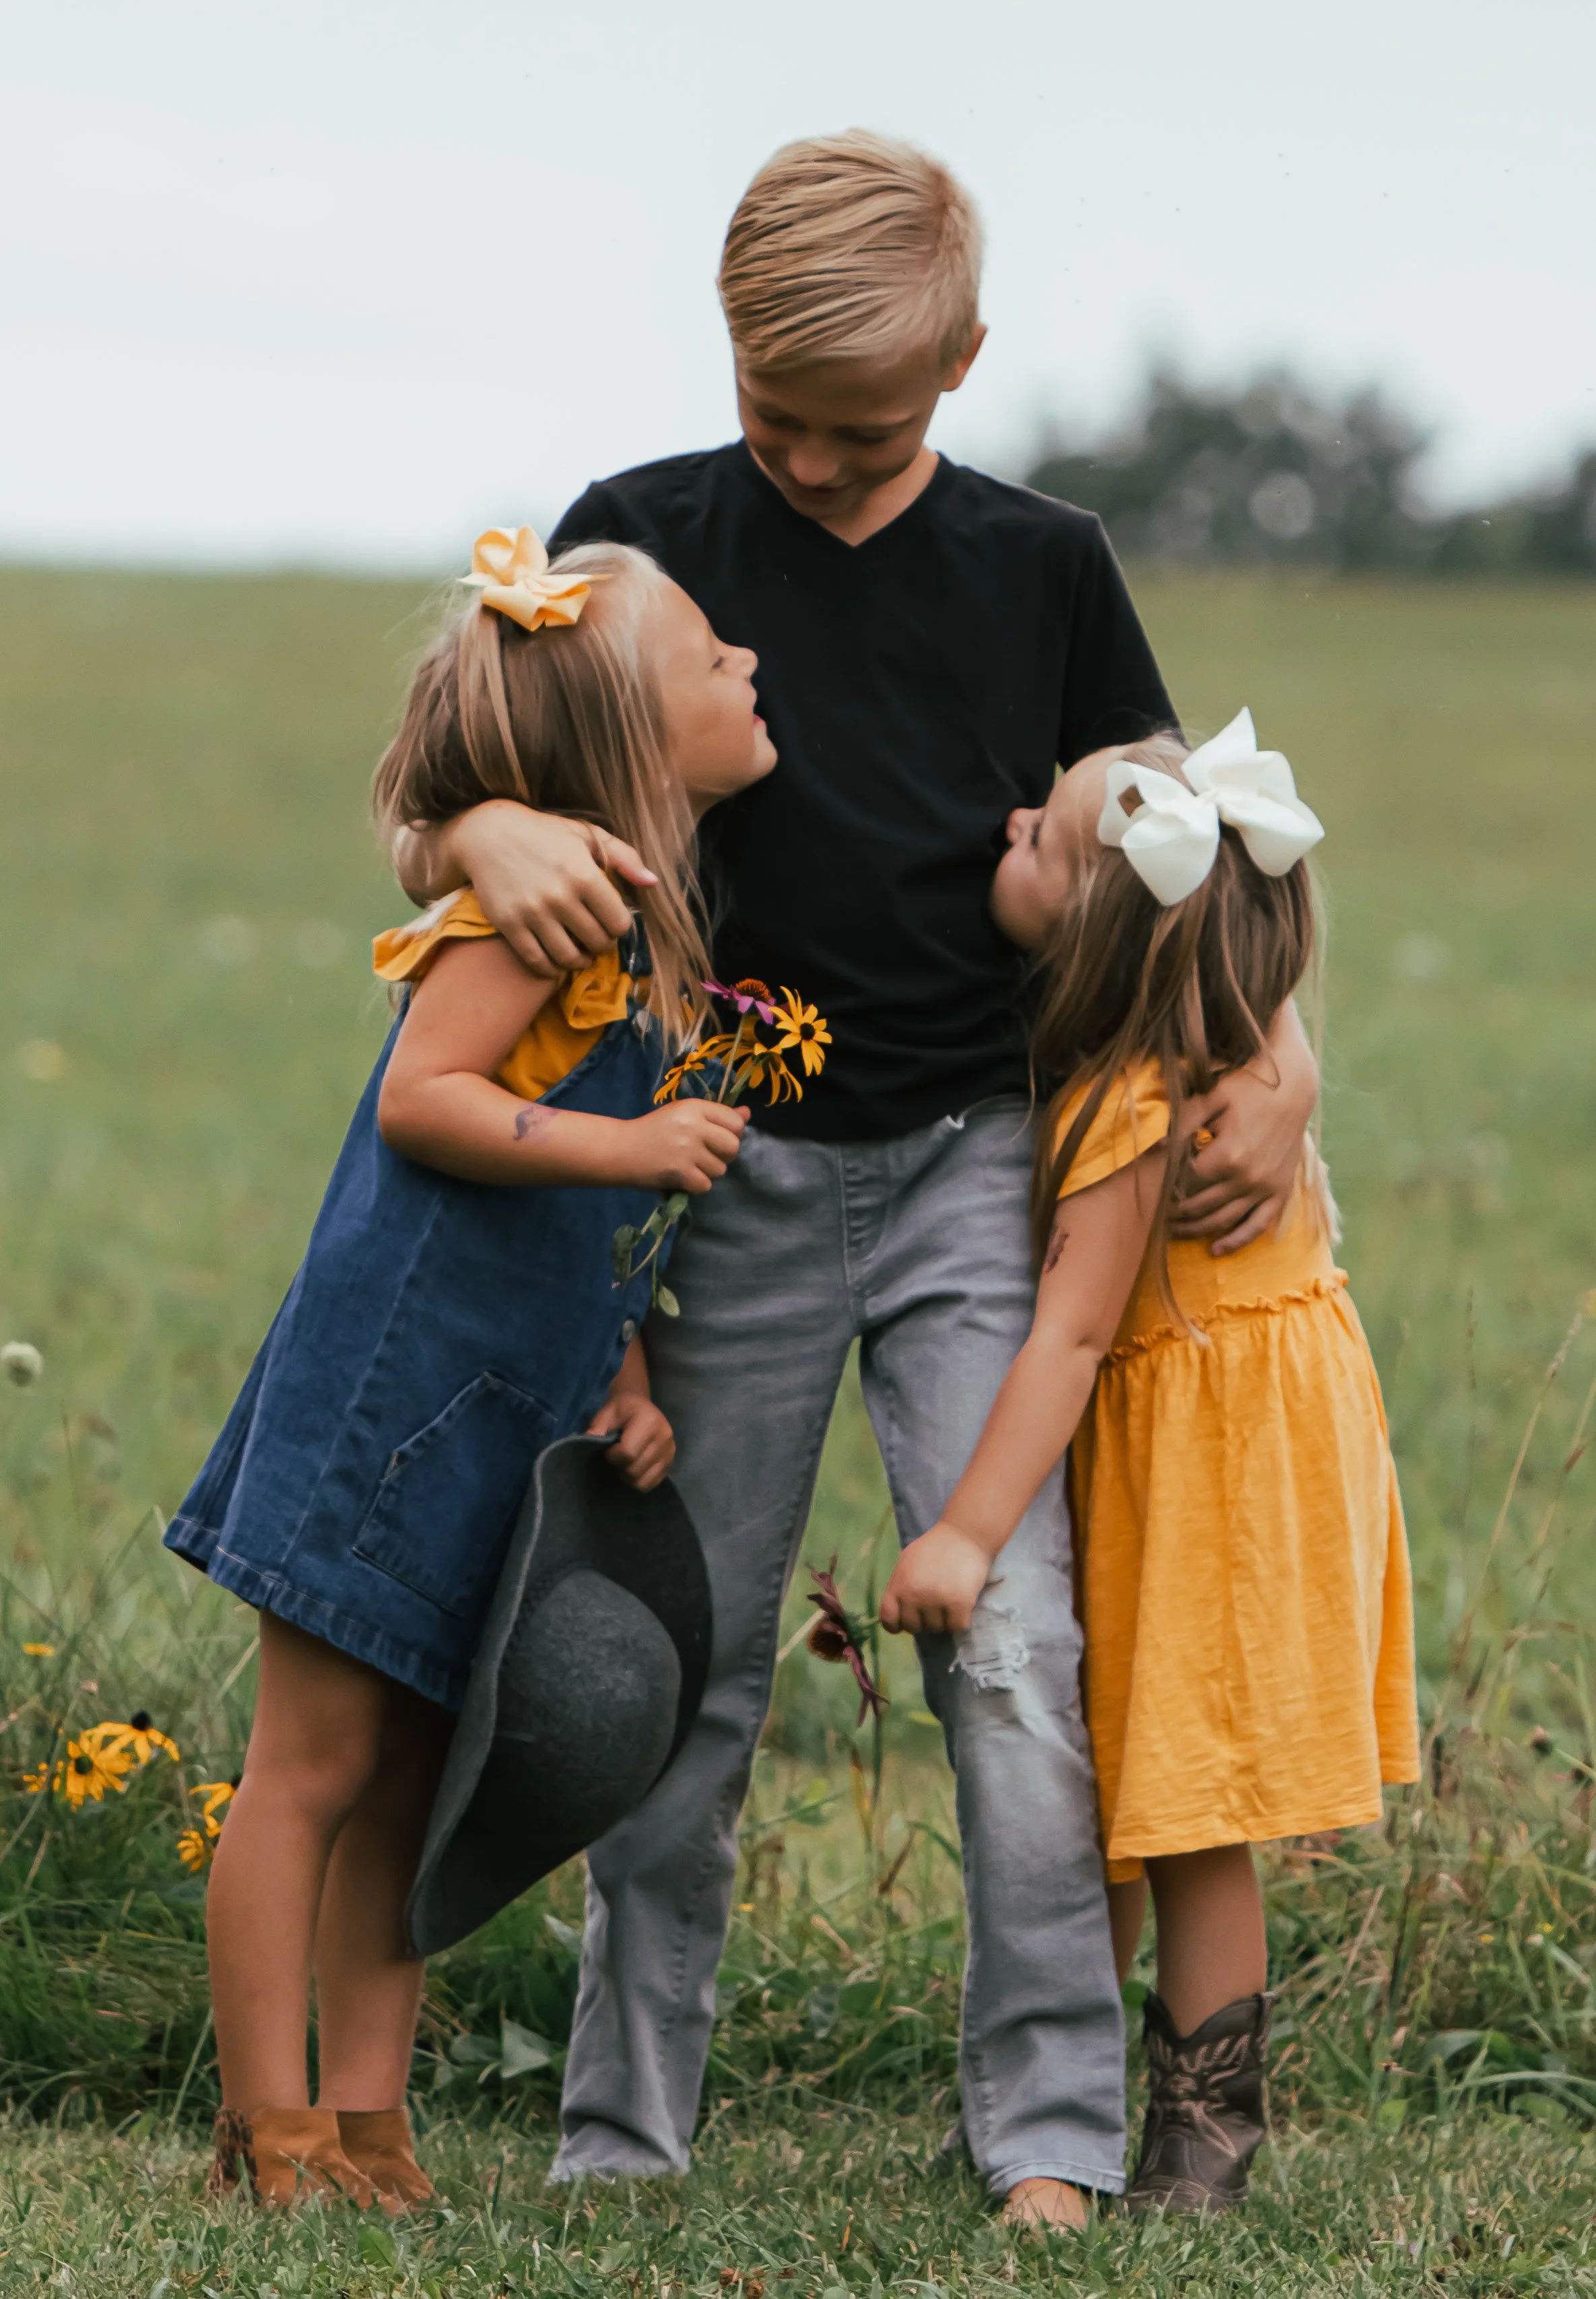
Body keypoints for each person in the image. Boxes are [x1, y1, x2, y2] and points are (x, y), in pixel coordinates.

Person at [395, 133, 1321, 2222]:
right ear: (721, 353)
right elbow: (454, 792)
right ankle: (623, 2131)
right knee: (683, 1656)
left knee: (1007, 1643)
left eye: (864, 426)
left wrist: (1289, 1058)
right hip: (704, 1170)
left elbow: (1198, 853)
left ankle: (1058, 2134)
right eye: (772, 416)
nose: (809, 466)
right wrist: (474, 843)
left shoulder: (1046, 564)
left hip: (984, 1170)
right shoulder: (632, 542)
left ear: (968, 361)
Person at [166, 531, 771, 2210]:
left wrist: (626, 1373)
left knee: (418, 1785)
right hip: (389, 1390)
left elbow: (591, 1223)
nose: (748, 668)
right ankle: (266, 2127)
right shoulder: (532, 909)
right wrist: (637, 1146)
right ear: (637, 748)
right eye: (711, 655)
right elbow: (426, 1100)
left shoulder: (649, 937)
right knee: (312, 1765)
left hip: (503, 1410)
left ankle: (369, 2125)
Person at [882, 715, 1420, 2215]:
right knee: (1122, 1799)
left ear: (1096, 937)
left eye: (1041, 843)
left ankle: (1204, 2133)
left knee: (1185, 1815)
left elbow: (1063, 1342)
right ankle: (1050, 2100)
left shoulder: (1133, 1108)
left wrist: (963, 1538)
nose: (1009, 829)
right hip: (1232, 1448)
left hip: (1217, 1483)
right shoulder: (1224, 1051)